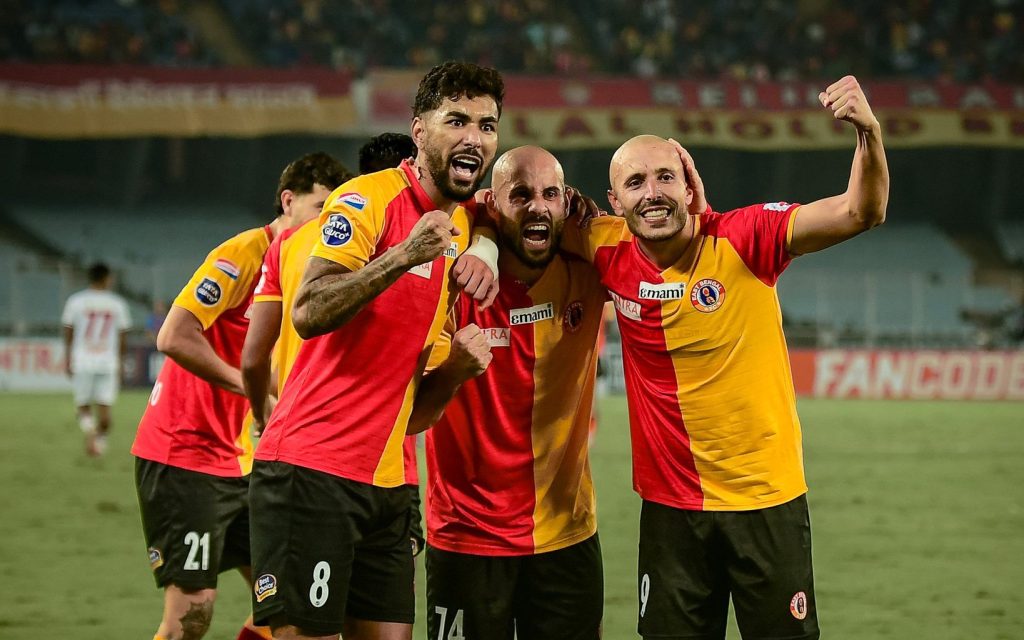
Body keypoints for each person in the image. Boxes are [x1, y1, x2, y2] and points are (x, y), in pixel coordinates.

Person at [566, 75, 889, 639]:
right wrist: (489, 249)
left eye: (666, 176)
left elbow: (860, 211)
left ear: (690, 185)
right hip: (670, 512)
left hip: (765, 501)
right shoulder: (602, 244)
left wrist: (869, 133)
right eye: (635, 182)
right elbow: (518, 221)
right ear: (614, 202)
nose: (652, 193)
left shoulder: (745, 236)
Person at [248, 61, 504, 640]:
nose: (474, 137)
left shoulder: (459, 232)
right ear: (419, 130)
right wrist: (402, 256)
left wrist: (457, 371)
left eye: (487, 126)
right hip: (310, 472)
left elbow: (414, 413)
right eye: (457, 120)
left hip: (389, 486)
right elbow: (309, 311)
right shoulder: (367, 199)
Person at [131, 151, 351, 640]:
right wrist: (250, 391)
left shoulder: (306, 268)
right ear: (288, 201)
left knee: (285, 603)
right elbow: (173, 336)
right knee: (192, 616)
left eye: (335, 214)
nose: (327, 223)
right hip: (185, 453)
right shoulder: (244, 253)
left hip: (247, 462)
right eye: (319, 209)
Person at [408, 145, 607, 640]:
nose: (538, 206)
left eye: (551, 194)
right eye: (520, 195)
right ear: (492, 205)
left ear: (568, 203)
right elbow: (413, 418)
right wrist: (455, 369)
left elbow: (665, 241)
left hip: (566, 535)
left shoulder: (589, 269)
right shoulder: (452, 286)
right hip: (467, 538)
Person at [61, 262, 131, 456]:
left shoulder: (75, 301)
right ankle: (99, 439)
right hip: (108, 362)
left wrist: (68, 356)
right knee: (106, 411)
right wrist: (121, 361)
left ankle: (91, 432)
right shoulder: (117, 303)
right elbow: (123, 334)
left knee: (82, 405)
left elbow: (68, 329)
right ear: (106, 278)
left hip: (82, 359)